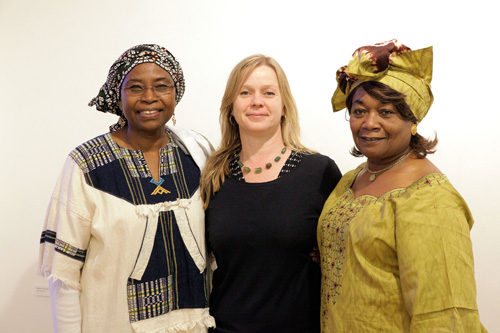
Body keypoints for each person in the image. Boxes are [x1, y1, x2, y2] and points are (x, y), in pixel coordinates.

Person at [38, 44, 216, 332]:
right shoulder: (87, 164)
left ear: (176, 93)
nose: (149, 97)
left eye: (161, 86)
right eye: (135, 87)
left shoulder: (197, 154)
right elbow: (65, 275)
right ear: (118, 96)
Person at [318, 39, 486, 332]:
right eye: (359, 111)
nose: (369, 123)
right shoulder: (348, 181)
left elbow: (443, 315)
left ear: (412, 120)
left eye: (386, 112)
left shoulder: (429, 199)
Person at [200, 54, 342, 332]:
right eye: (245, 92)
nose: (257, 101)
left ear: (284, 106)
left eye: (268, 93)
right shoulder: (212, 175)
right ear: (231, 107)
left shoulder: (319, 172)